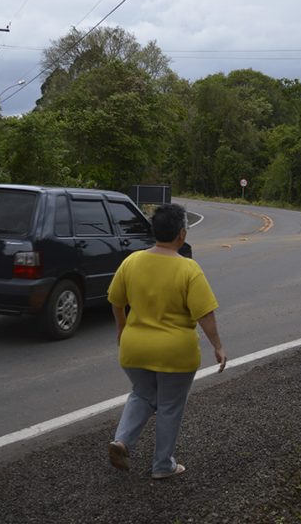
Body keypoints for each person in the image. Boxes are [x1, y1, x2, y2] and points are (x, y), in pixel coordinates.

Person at [107, 203, 227, 479]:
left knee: (142, 394)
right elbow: (204, 315)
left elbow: (115, 300)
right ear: (181, 235)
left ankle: (123, 441)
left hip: (134, 349)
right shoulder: (188, 268)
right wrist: (218, 346)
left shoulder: (132, 261)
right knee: (170, 405)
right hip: (175, 354)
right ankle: (162, 465)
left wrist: (122, 328)